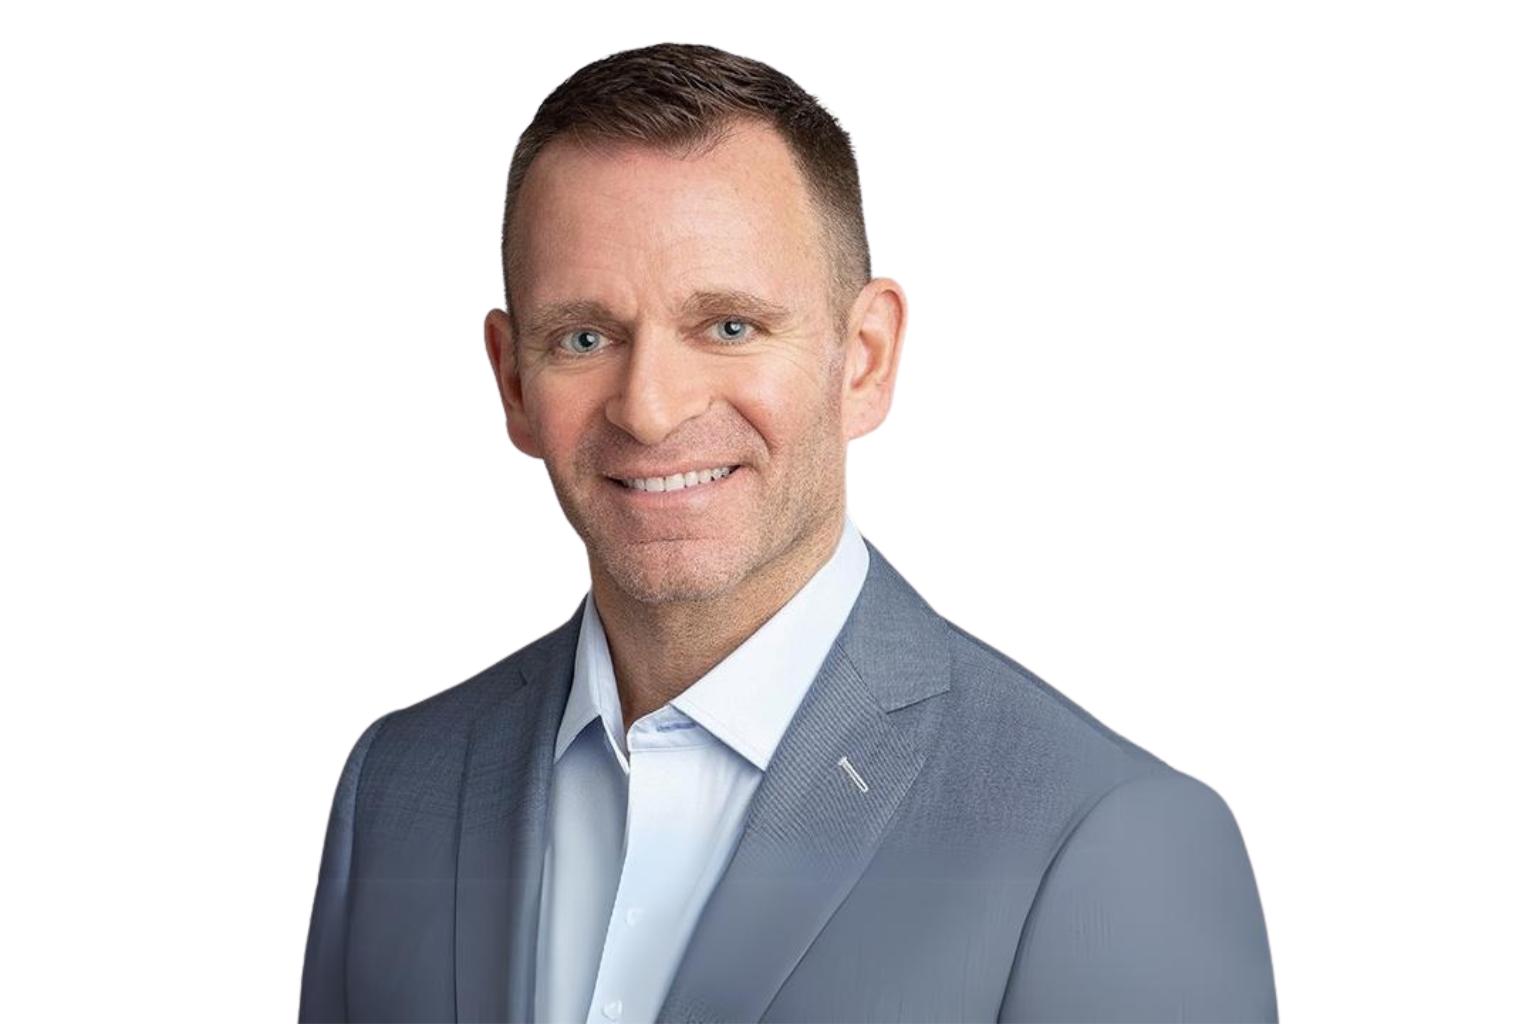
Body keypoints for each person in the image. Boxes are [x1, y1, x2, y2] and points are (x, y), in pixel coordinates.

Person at [298, 42, 1277, 1024]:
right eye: (585, 339)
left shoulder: (1107, 843)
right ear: (514, 381)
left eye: (728, 326)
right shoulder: (397, 789)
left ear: (865, 359)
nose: (649, 408)